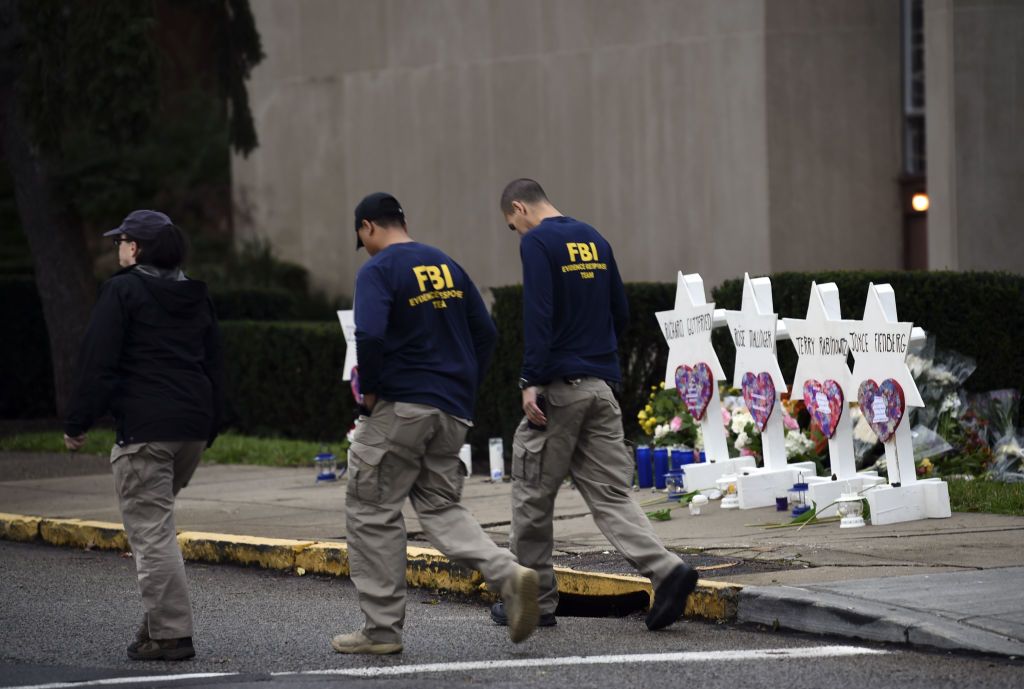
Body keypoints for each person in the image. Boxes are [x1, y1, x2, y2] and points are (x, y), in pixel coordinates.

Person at [334, 192, 539, 655]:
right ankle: (508, 572)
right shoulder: (446, 264)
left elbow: (368, 333)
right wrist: (463, 383)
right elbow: (485, 333)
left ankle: (382, 631)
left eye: (361, 237)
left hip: (400, 408)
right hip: (452, 410)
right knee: (441, 508)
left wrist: (370, 393)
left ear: (368, 227)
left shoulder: (377, 270)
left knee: (371, 509)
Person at [492, 178, 698, 631]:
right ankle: (668, 571)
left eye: (513, 225)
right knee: (611, 495)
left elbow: (539, 313)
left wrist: (530, 379)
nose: (517, 233)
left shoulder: (538, 242)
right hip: (601, 388)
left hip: (558, 391)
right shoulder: (594, 238)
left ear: (520, 208)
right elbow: (619, 311)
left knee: (531, 497)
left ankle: (534, 602)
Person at [63, 210, 223, 661]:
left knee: (151, 533)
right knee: (156, 522)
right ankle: (157, 624)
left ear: (135, 248)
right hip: (190, 428)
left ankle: (171, 635)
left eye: (122, 241)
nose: (118, 247)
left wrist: (76, 423)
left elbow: (98, 360)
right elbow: (214, 362)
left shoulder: (122, 291)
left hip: (147, 430)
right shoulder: (195, 293)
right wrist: (212, 424)